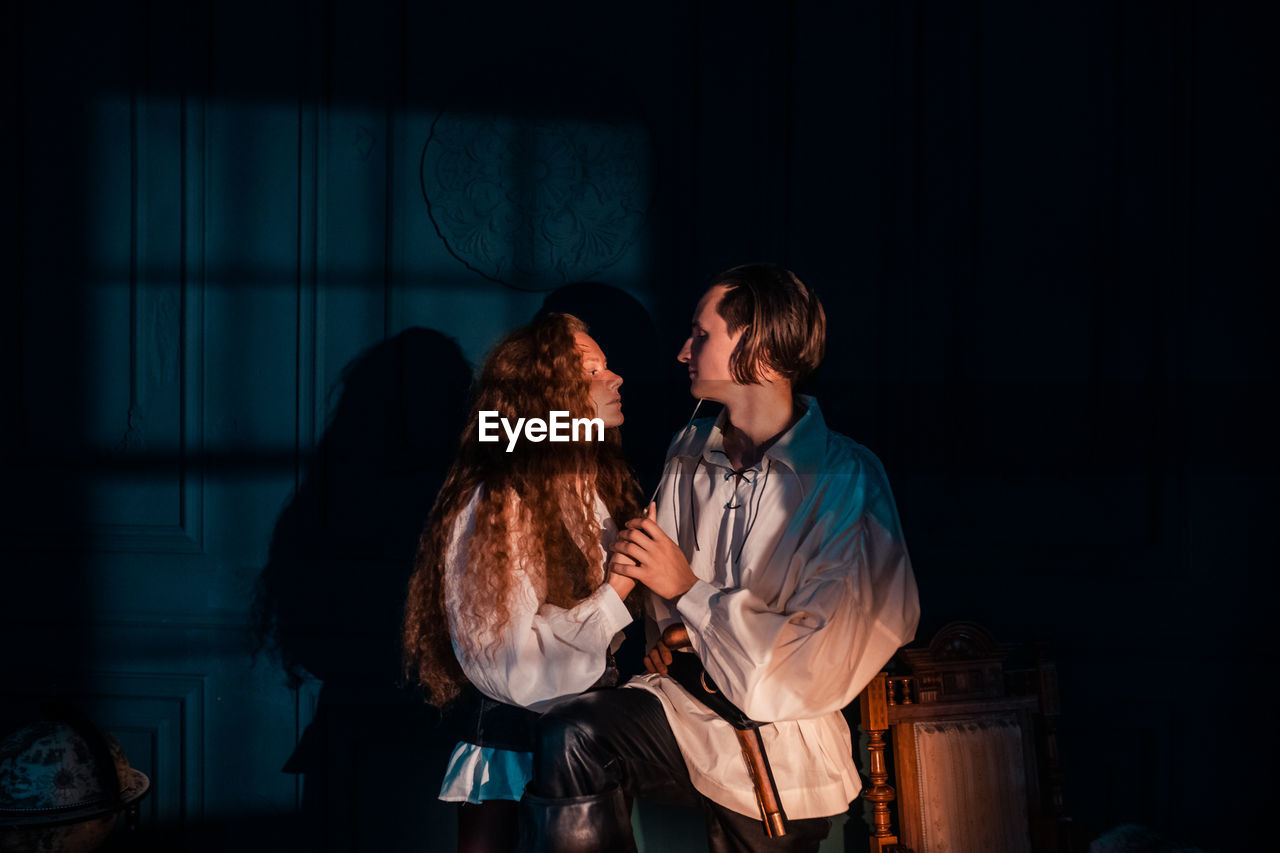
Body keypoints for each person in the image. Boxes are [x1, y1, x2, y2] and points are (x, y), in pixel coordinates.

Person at [522, 264, 921, 852]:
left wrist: (690, 595)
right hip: (682, 713)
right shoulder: (688, 449)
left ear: (756, 346)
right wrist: (668, 624)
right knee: (573, 735)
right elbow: (657, 582)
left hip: (781, 749)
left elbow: (812, 659)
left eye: (701, 335)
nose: (684, 351)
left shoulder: (846, 478)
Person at [402, 313, 641, 853]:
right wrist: (617, 591)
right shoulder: (502, 501)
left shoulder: (597, 487)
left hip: (592, 753)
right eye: (591, 369)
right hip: (517, 766)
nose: (615, 378)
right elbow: (512, 668)